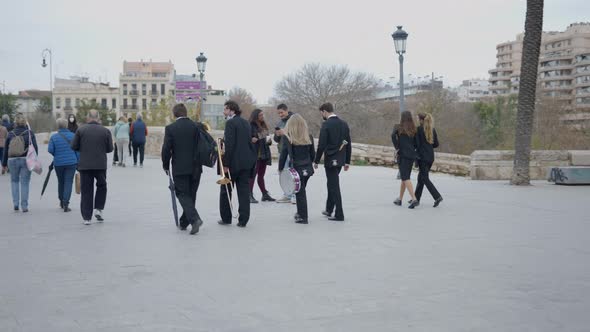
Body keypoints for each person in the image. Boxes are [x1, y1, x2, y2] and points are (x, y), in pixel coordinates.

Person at [161, 103, 204, 235]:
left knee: (182, 194)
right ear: (186, 113)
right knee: (191, 195)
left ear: (175, 114)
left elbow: (166, 149)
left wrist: (165, 165)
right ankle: (184, 222)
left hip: (179, 167)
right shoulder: (196, 126)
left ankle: (195, 219)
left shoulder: (171, 128)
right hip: (196, 167)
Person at [218, 100, 257, 227]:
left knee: (226, 190)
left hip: (233, 164)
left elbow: (230, 145)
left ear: (231, 110)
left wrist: (225, 163)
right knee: (244, 192)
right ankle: (243, 220)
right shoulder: (246, 123)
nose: (224, 112)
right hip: (246, 163)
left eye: (225, 109)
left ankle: (226, 218)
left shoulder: (230, 123)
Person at [71, 109, 113, 225]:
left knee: (86, 190)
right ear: (98, 118)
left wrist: (84, 148)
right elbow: (110, 149)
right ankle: (99, 209)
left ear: (88, 117)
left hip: (85, 165)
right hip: (100, 164)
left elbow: (74, 146)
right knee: (102, 186)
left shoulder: (81, 130)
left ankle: (86, 217)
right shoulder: (105, 131)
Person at [313, 102, 352, 221]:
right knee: (331, 183)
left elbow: (321, 145)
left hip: (330, 160)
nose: (322, 115)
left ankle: (339, 214)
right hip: (340, 160)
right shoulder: (344, 124)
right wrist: (347, 161)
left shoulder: (326, 124)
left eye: (322, 113)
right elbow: (348, 143)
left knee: (334, 185)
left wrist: (316, 160)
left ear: (324, 111)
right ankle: (329, 209)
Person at [279, 114, 315, 224]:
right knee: (301, 191)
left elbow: (284, 154)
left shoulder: (288, 137)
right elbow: (312, 154)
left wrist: (280, 169)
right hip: (308, 169)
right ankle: (300, 214)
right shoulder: (309, 136)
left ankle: (303, 217)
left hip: (296, 169)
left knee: (300, 192)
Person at [2, 113, 38, 212]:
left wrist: (4, 164)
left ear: (15, 123)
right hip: (25, 159)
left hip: (12, 160)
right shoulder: (30, 133)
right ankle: (25, 206)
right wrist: (34, 160)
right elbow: (35, 147)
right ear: (25, 122)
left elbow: (5, 150)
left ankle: (16, 204)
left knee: (14, 181)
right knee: (25, 182)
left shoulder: (10, 133)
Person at [48, 118, 79, 212]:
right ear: (67, 126)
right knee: (68, 182)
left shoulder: (53, 137)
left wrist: (57, 155)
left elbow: (50, 150)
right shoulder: (73, 136)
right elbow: (77, 150)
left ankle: (61, 201)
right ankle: (66, 203)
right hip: (71, 163)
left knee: (61, 182)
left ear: (58, 126)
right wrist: (78, 160)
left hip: (58, 163)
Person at [391, 111, 419, 209]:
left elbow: (392, 136)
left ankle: (414, 199)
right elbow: (416, 143)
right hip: (411, 155)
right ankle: (400, 199)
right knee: (404, 177)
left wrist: (397, 147)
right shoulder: (414, 128)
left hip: (402, 155)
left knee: (405, 177)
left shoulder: (398, 127)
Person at [415, 113, 443, 207]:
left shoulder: (419, 129)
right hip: (430, 157)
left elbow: (417, 145)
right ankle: (416, 199)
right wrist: (428, 145)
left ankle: (437, 196)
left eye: (418, 118)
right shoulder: (432, 129)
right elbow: (436, 144)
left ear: (421, 120)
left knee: (424, 178)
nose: (417, 120)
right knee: (421, 178)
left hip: (422, 157)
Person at [249, 108, 275, 203]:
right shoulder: (250, 125)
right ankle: (249, 195)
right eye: (260, 115)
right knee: (253, 175)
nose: (262, 117)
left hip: (264, 153)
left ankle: (264, 194)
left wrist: (269, 140)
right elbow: (250, 137)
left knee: (261, 175)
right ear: (255, 116)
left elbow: (266, 138)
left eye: (262, 115)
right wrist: (257, 137)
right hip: (256, 154)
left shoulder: (263, 125)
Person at [273, 103, 295, 204]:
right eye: (279, 113)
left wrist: (285, 132)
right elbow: (276, 139)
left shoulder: (294, 120)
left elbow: (297, 135)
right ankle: (287, 195)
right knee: (284, 174)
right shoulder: (279, 123)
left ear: (286, 110)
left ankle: (295, 195)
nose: (280, 115)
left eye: (281, 112)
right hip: (282, 151)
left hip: (292, 151)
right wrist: (277, 135)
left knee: (293, 174)